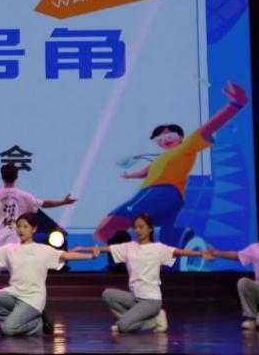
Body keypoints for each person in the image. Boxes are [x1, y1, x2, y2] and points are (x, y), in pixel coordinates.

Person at [94, 81, 248, 247]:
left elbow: (207, 129)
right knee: (164, 237)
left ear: (180, 138)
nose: (165, 140)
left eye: (169, 136)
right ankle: (185, 244)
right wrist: (132, 175)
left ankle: (127, 249)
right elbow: (149, 170)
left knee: (105, 230)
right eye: (160, 139)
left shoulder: (184, 148)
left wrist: (235, 105)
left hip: (161, 191)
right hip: (173, 199)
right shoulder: (162, 158)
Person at [0, 213, 97, 336]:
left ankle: (38, 325)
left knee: (8, 330)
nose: (21, 230)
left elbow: (65, 255)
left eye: (25, 227)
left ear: (34, 229)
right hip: (14, 294)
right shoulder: (10, 249)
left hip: (32, 299)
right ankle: (12, 324)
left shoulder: (43, 250)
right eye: (19, 226)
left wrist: (90, 256)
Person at [0, 162, 76, 315]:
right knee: (19, 277)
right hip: (18, 242)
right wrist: (63, 202)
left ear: (2, 176)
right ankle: (23, 304)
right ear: (16, 176)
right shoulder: (22, 195)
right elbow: (43, 203)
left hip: (0, 243)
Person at [78, 213, 214, 333]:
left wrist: (201, 253)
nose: (138, 230)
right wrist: (84, 248)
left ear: (150, 228)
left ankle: (148, 322)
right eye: (135, 227)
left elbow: (178, 252)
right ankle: (132, 322)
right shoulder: (129, 247)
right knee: (107, 294)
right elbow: (106, 249)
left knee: (123, 326)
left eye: (141, 227)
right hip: (135, 297)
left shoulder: (158, 248)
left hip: (151, 300)